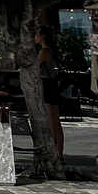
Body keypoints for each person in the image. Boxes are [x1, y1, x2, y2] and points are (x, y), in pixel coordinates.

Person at [37, 26, 64, 159]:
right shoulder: (49, 51)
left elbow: (35, 66)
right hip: (52, 85)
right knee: (54, 119)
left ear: (42, 36)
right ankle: (58, 151)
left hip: (48, 85)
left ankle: (56, 151)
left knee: (52, 120)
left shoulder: (44, 51)